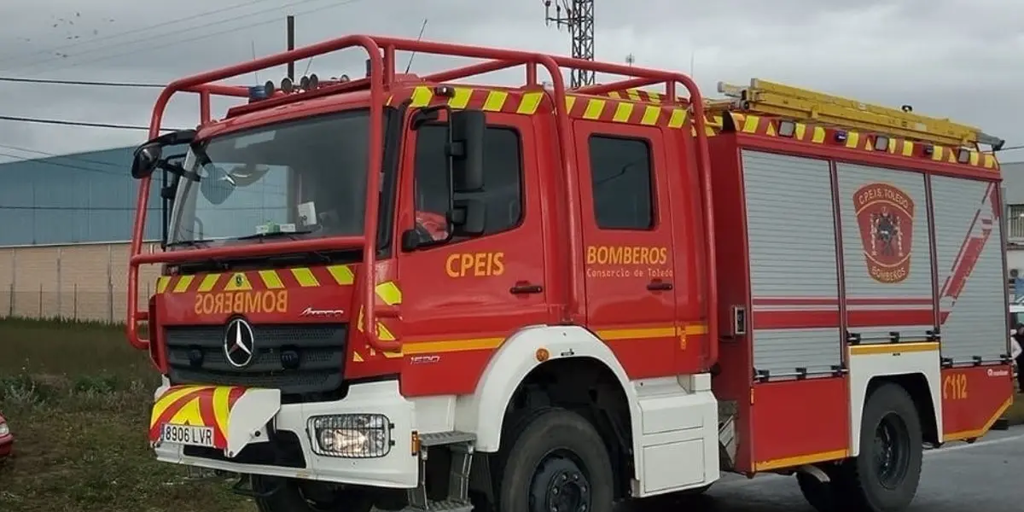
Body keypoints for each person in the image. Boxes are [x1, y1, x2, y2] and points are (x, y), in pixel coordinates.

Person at [1012, 324, 1024, 392]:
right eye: (1019, 329)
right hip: (1019, 358)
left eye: (1022, 329)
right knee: (1021, 374)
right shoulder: (1015, 337)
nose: (1021, 331)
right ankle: (1022, 387)